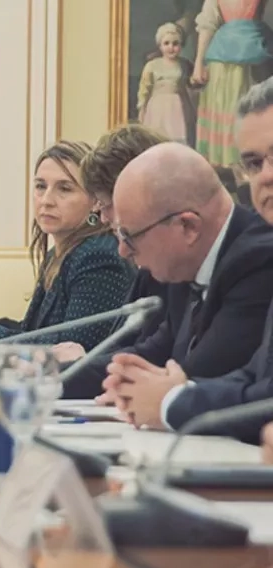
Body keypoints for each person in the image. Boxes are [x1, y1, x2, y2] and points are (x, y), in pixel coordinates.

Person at [114, 81, 273, 437]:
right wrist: (165, 389)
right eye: (253, 162)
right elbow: (255, 377)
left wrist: (173, 399)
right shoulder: (183, 269)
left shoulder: (258, 255)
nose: (267, 175)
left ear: (188, 226)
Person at [0, 141, 136, 349]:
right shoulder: (57, 254)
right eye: (40, 186)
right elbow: (37, 331)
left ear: (95, 200)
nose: (46, 200)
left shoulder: (99, 256)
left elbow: (73, 347)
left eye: (64, 188)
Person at [49, 125, 171, 363]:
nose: (102, 216)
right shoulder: (149, 269)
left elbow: (150, 359)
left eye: (105, 202)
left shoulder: (100, 254)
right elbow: (126, 351)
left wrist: (74, 364)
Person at [191, 0, 273, 166]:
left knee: (256, 107)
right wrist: (198, 63)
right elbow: (207, 25)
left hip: (258, 54)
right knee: (229, 108)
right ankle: (230, 163)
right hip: (223, 62)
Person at [138, 23, 196, 146]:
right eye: (166, 43)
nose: (171, 47)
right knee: (157, 138)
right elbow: (144, 90)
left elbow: (191, 83)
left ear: (181, 46)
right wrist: (142, 110)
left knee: (175, 139)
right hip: (157, 106)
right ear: (160, 45)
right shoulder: (152, 65)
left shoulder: (184, 65)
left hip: (176, 106)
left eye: (175, 44)